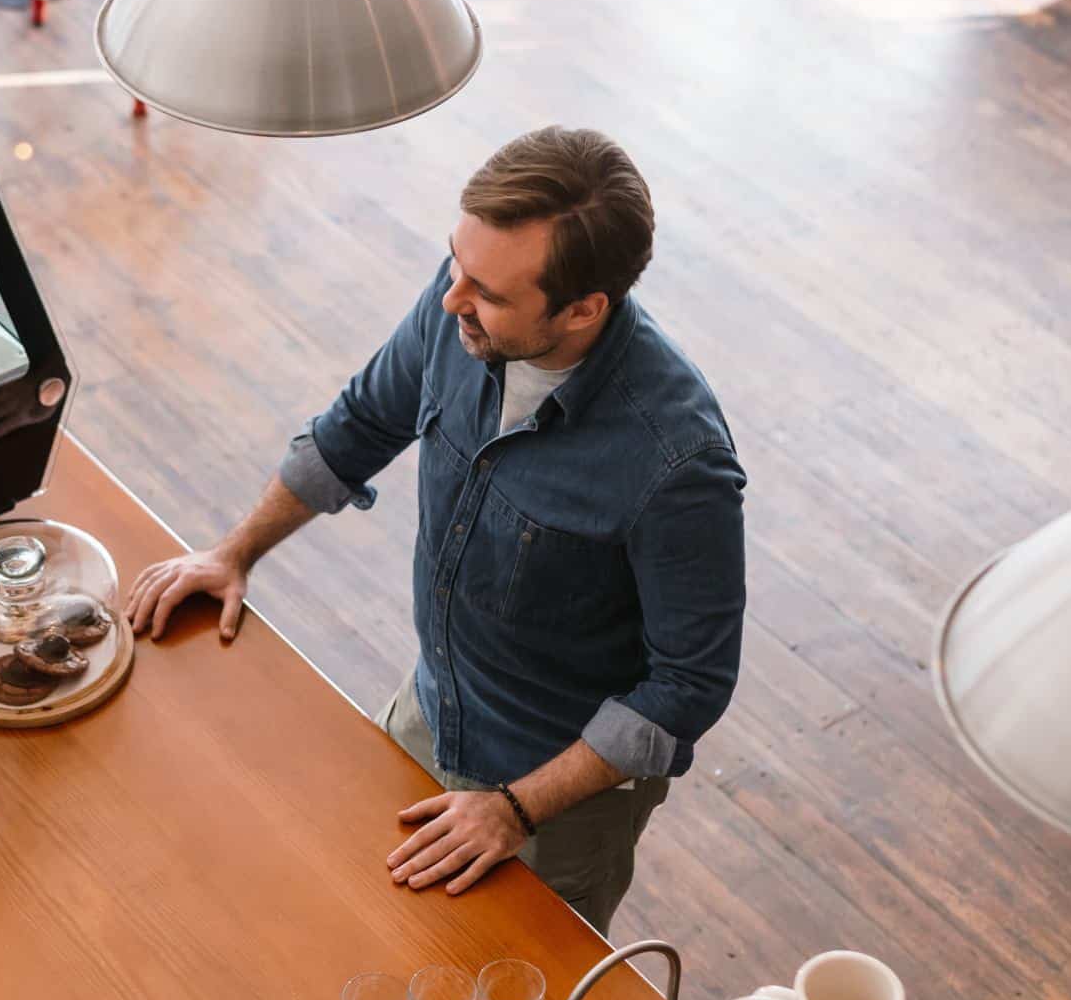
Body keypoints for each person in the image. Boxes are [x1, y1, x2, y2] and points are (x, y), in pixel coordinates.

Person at [123, 127, 745, 936]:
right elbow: (358, 427)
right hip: (430, 711)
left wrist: (515, 811)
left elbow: (686, 689)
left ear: (585, 308)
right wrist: (233, 552)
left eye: (487, 291)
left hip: (553, 802)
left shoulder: (677, 463)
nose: (452, 298)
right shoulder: (462, 305)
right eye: (457, 264)